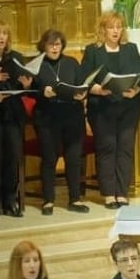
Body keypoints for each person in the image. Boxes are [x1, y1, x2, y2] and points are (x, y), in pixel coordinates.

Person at [82, 12, 140, 209]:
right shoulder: (93, 51)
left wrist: (135, 90)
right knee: (107, 148)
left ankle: (122, 192)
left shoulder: (130, 49)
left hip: (128, 107)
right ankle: (109, 193)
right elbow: (84, 81)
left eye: (118, 27)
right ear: (103, 30)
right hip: (102, 107)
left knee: (125, 148)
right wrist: (98, 90)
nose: (116, 31)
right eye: (111, 27)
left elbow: (139, 76)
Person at [31, 28, 90, 216]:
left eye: (57, 44)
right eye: (51, 44)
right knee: (49, 157)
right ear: (44, 46)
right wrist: (43, 92)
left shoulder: (71, 63)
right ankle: (48, 200)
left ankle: (75, 199)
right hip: (48, 117)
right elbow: (30, 89)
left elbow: (82, 84)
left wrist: (82, 93)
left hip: (72, 115)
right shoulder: (37, 65)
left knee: (73, 158)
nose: (55, 48)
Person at [0, 20, 31, 219]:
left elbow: (22, 82)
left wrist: (26, 86)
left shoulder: (16, 57)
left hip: (12, 113)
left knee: (12, 158)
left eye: (4, 34)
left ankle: (10, 200)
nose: (2, 38)